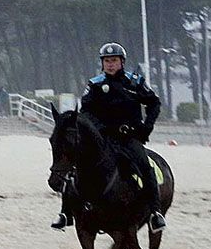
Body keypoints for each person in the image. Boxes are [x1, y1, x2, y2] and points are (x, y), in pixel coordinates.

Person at [52, 42, 165, 232]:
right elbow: (86, 112)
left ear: (122, 62)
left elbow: (154, 103)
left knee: (144, 166)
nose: (110, 64)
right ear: (102, 63)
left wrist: (147, 127)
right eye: (106, 61)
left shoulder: (134, 81)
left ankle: (155, 213)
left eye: (114, 60)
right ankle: (65, 213)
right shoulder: (94, 84)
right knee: (75, 167)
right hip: (102, 138)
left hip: (129, 138)